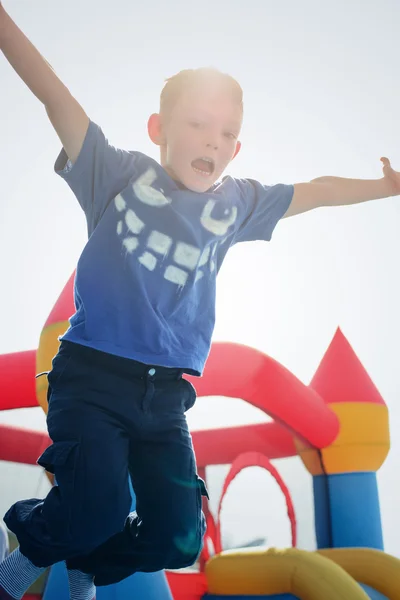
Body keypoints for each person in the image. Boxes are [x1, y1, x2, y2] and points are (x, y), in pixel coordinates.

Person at [0, 3, 399, 600]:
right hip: (93, 376)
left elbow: (316, 192)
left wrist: (385, 188)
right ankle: (32, 545)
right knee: (95, 507)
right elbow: (58, 99)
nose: (212, 140)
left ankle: (93, 561)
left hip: (166, 398)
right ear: (158, 129)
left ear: (236, 151)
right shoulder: (116, 175)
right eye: (197, 124)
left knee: (180, 538)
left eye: (226, 133)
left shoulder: (236, 204)